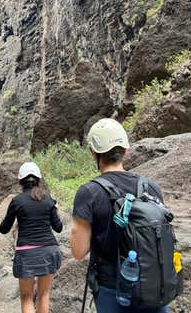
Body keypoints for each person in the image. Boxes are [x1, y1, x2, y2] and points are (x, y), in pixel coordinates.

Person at [70, 119, 169, 313]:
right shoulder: (151, 188)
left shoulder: (89, 192)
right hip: (154, 288)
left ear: (94, 153)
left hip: (113, 293)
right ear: (125, 150)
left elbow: (79, 251)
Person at [0, 162, 63, 313]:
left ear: (21, 181)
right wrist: (56, 210)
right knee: (44, 294)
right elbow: (58, 228)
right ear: (38, 180)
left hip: (27, 253)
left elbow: (4, 229)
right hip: (49, 250)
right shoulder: (48, 199)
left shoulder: (17, 201)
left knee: (27, 298)